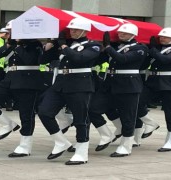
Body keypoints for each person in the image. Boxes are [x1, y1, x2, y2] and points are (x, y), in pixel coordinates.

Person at [38, 17, 101, 165]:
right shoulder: (65, 44)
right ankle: (61, 142)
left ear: (85, 31)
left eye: (76, 29)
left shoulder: (93, 46)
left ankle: (82, 153)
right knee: (44, 112)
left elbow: (80, 59)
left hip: (80, 84)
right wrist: (51, 45)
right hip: (60, 83)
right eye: (71, 29)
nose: (72, 32)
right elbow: (42, 60)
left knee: (81, 119)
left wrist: (64, 47)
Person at [0, 20, 45, 157]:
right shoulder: (13, 43)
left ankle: (25, 145)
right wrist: (10, 44)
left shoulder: (35, 44)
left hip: (28, 80)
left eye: (12, 31)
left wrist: (20, 44)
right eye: (9, 32)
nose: (10, 34)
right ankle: (7, 124)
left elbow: (29, 60)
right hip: (10, 78)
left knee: (26, 114)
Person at [89, 23, 147, 157]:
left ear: (133, 35)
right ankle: (106, 134)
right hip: (110, 84)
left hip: (128, 86)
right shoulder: (116, 47)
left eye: (125, 33)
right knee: (92, 108)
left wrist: (108, 47)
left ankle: (126, 146)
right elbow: (98, 60)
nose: (121, 35)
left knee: (128, 116)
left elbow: (123, 59)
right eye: (120, 33)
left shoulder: (140, 48)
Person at [146, 27, 171, 152]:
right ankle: (150, 123)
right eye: (161, 37)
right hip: (153, 82)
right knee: (137, 103)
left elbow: (166, 60)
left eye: (165, 37)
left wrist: (152, 49)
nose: (162, 38)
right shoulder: (157, 48)